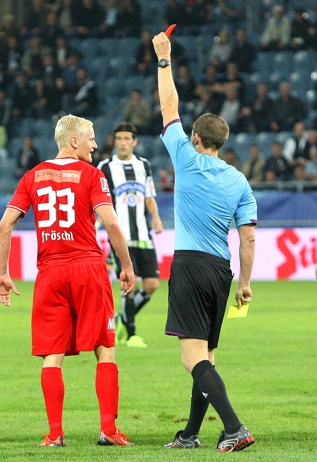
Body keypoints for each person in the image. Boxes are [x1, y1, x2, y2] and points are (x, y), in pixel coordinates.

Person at [0, 114, 136, 448]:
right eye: (90, 138)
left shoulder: (32, 175)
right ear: (73, 141)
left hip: (51, 273)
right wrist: (126, 266)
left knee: (51, 354)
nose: (95, 144)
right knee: (105, 348)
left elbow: (4, 226)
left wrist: (2, 272)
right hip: (87, 268)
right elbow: (112, 225)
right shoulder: (91, 174)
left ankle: (55, 433)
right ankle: (108, 430)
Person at [153, 30, 257, 452]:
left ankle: (234, 427)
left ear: (196, 139)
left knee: (190, 357)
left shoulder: (186, 158)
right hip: (221, 271)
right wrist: (245, 284)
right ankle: (191, 434)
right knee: (207, 357)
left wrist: (164, 59)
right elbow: (247, 238)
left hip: (191, 264)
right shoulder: (240, 180)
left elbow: (169, 106)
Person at [97, 122, 163, 348]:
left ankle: (121, 320)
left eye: (127, 139)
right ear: (115, 142)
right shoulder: (104, 167)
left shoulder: (144, 165)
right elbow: (98, 200)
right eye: (119, 139)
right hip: (120, 238)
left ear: (135, 141)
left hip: (143, 235)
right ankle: (132, 333)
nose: (123, 143)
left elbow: (149, 196)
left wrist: (156, 217)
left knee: (152, 284)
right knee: (129, 284)